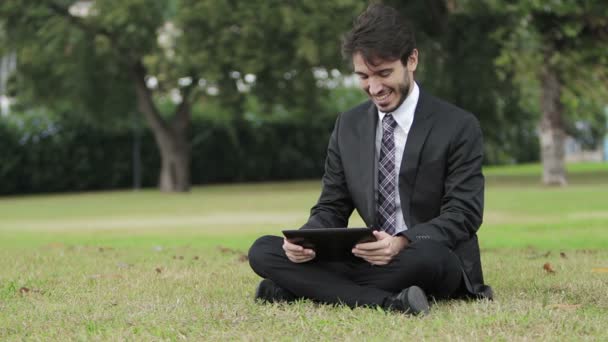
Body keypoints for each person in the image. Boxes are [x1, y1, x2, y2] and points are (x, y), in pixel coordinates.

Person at [248, 3, 493, 315]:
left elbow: (464, 214)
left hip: (424, 256)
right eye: (363, 76)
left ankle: (298, 288)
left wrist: (401, 242)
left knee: (430, 257)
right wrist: (306, 240)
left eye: (384, 73)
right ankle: (390, 302)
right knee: (263, 250)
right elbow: (332, 207)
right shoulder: (348, 126)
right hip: (369, 257)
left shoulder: (458, 126)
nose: (374, 88)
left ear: (412, 60)